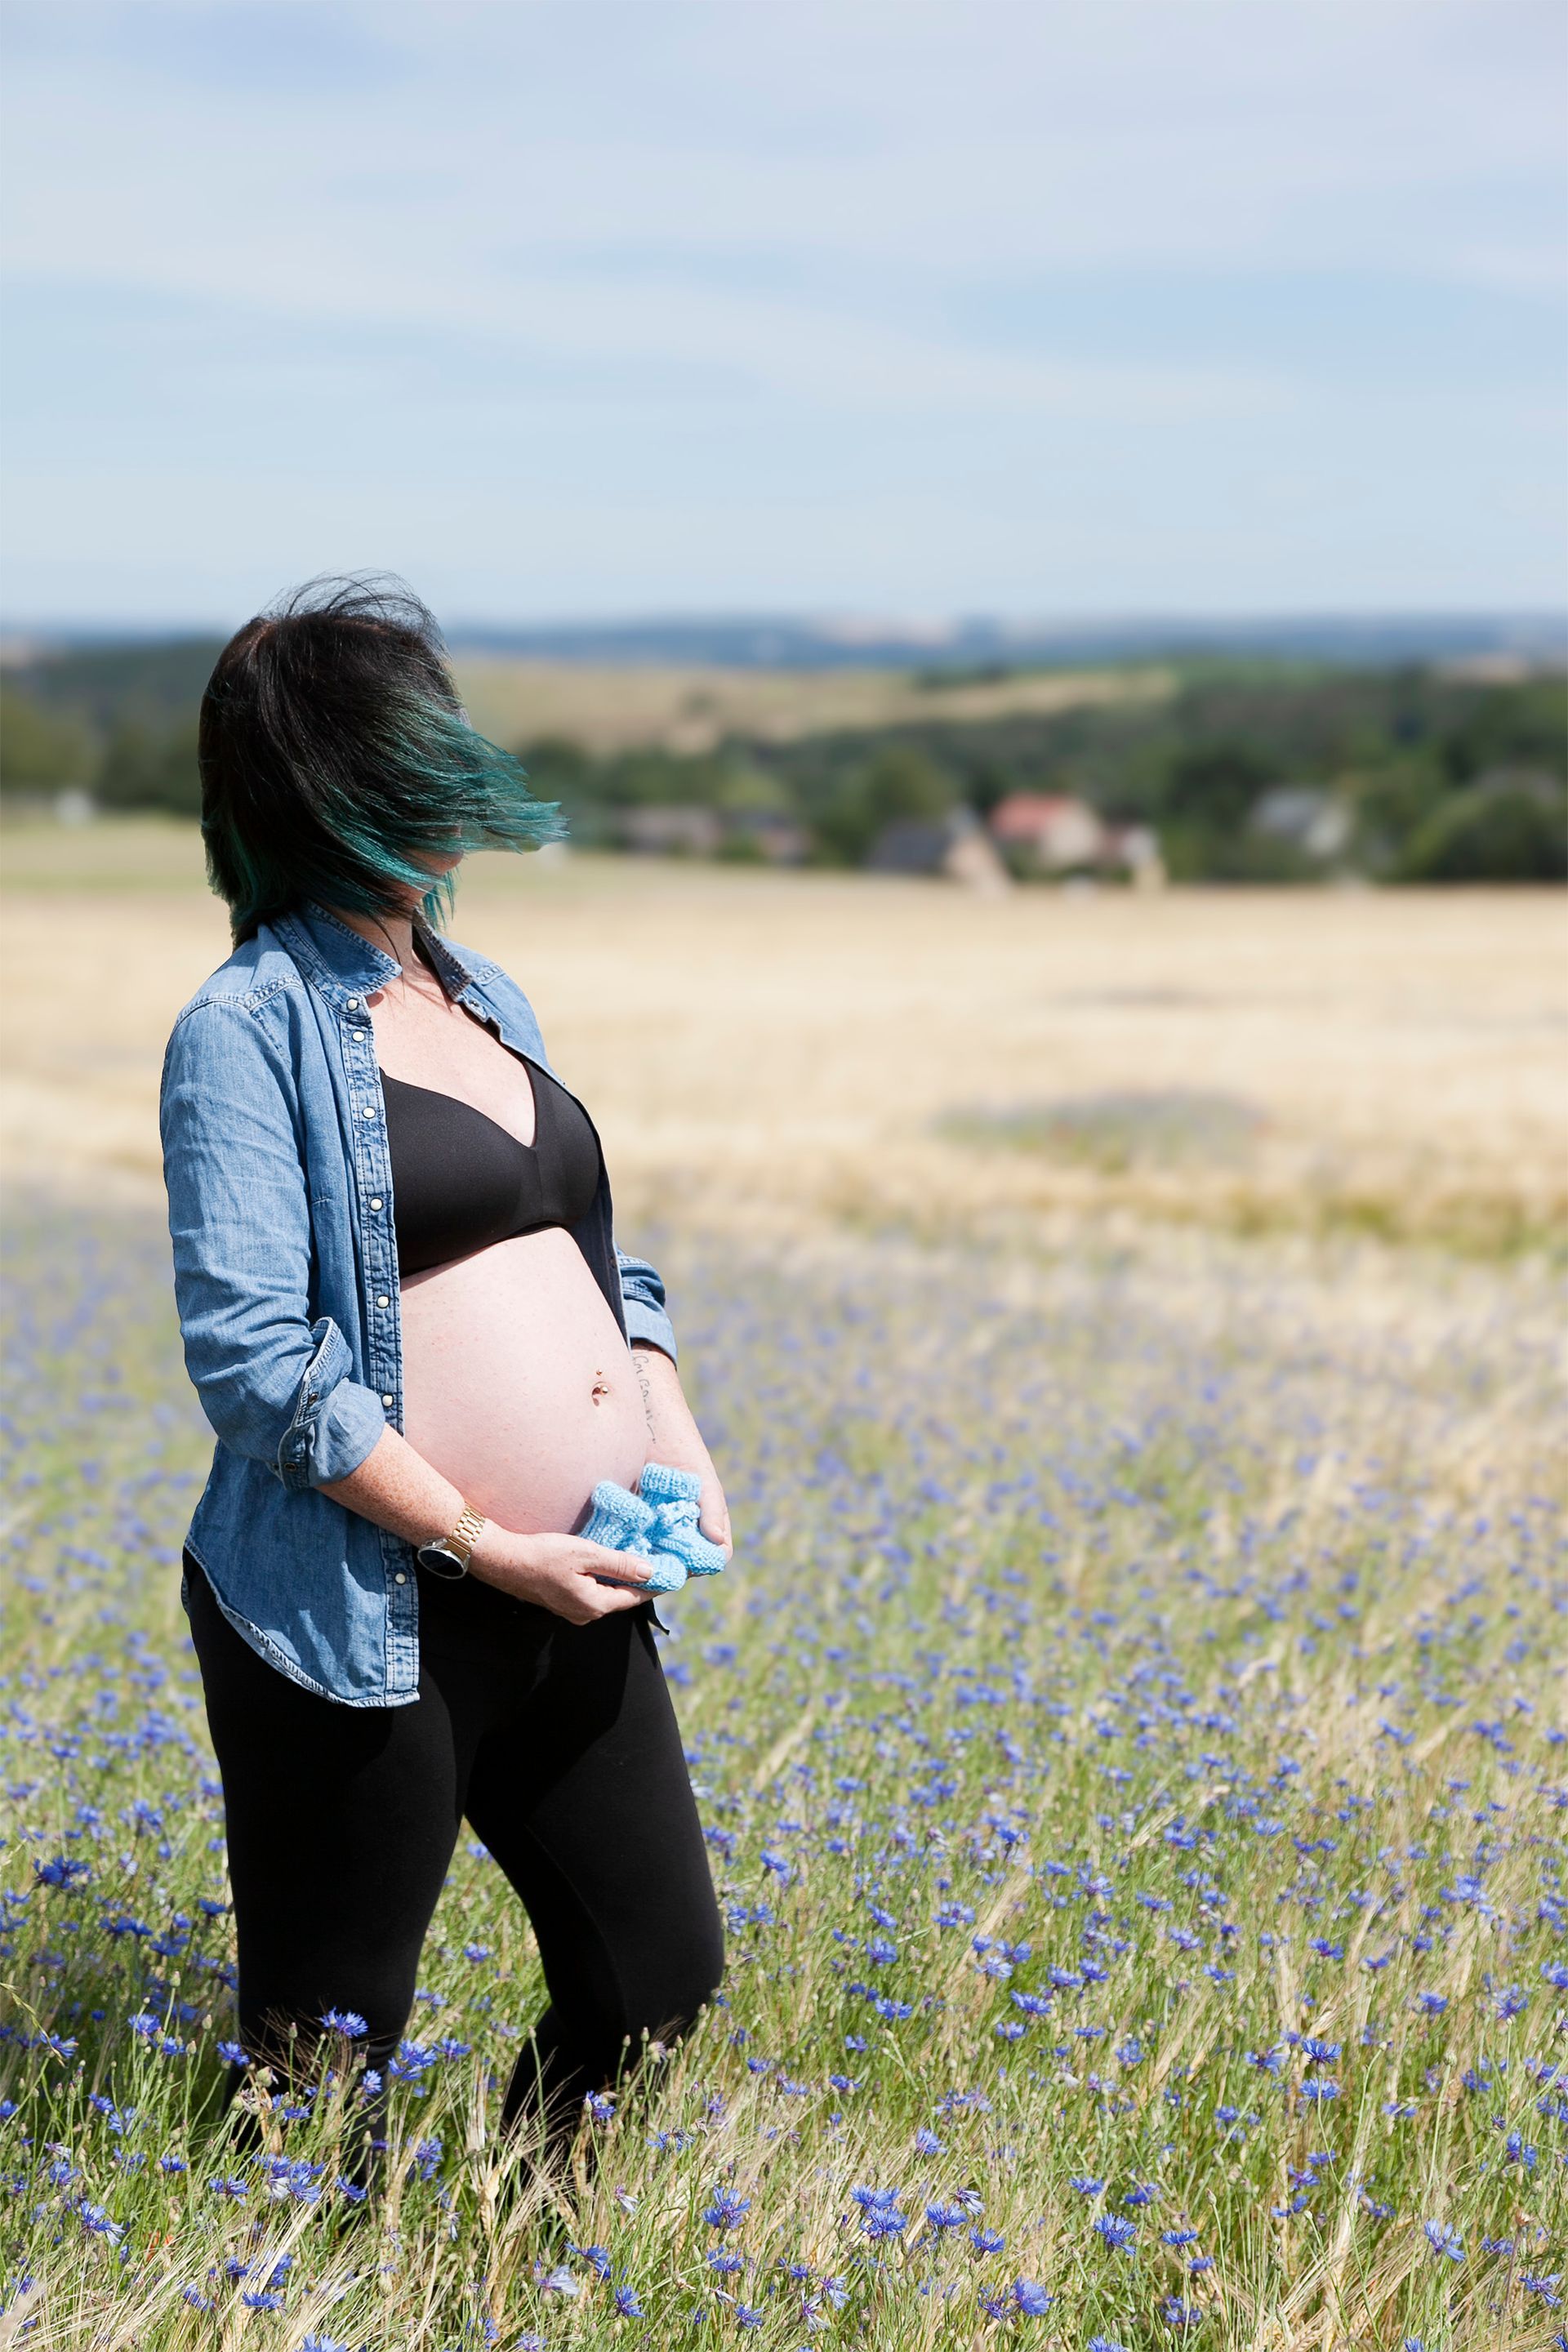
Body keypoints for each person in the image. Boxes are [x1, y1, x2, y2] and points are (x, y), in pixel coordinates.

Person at [159, 577, 726, 2164]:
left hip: (577, 1575)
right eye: (414, 767)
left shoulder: (485, 995)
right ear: (323, 791)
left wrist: (669, 1425)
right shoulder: (247, 1028)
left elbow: (599, 1261)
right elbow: (256, 1359)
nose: (452, 801)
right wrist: (483, 1543)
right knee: (327, 2048)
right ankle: (304, 2280)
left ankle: (509, 2255)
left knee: (656, 1980)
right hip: (364, 1608)